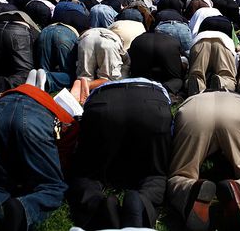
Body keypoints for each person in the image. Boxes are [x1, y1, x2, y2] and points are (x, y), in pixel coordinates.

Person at [0, 83, 73, 231]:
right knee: (53, 186)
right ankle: (23, 209)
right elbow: (65, 140)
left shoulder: (10, 94)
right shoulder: (63, 115)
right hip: (33, 118)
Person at [68, 78, 173, 230]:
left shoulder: (104, 86)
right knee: (155, 173)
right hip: (152, 105)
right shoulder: (157, 86)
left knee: (88, 173)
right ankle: (141, 203)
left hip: (103, 103)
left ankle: (97, 206)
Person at [167, 91, 240, 231]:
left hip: (194, 111)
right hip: (239, 110)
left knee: (180, 174)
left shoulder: (193, 97)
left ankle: (189, 190)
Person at [0, 11, 40, 93]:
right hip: (19, 31)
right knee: (26, 72)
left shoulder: (4, 14)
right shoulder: (31, 23)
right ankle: (7, 83)